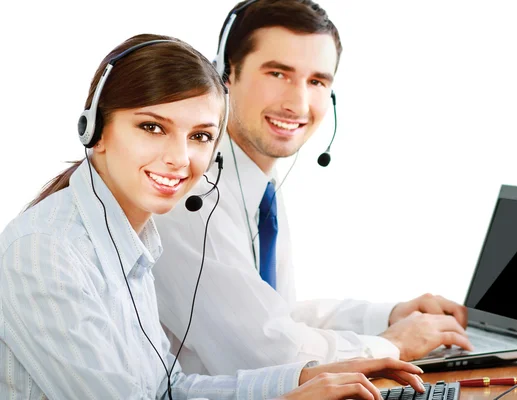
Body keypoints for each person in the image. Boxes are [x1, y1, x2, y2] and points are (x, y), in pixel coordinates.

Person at [0, 33, 425, 399]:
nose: (180, 159)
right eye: (152, 127)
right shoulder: (46, 253)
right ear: (95, 130)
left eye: (200, 136)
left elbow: (169, 388)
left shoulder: (133, 241)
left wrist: (304, 377)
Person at [153, 0, 473, 378]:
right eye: (277, 74)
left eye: (317, 81)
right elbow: (269, 354)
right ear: (226, 74)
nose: (298, 104)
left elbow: (275, 314)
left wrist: (387, 316)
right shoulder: (191, 192)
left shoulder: (259, 184)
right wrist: (393, 344)